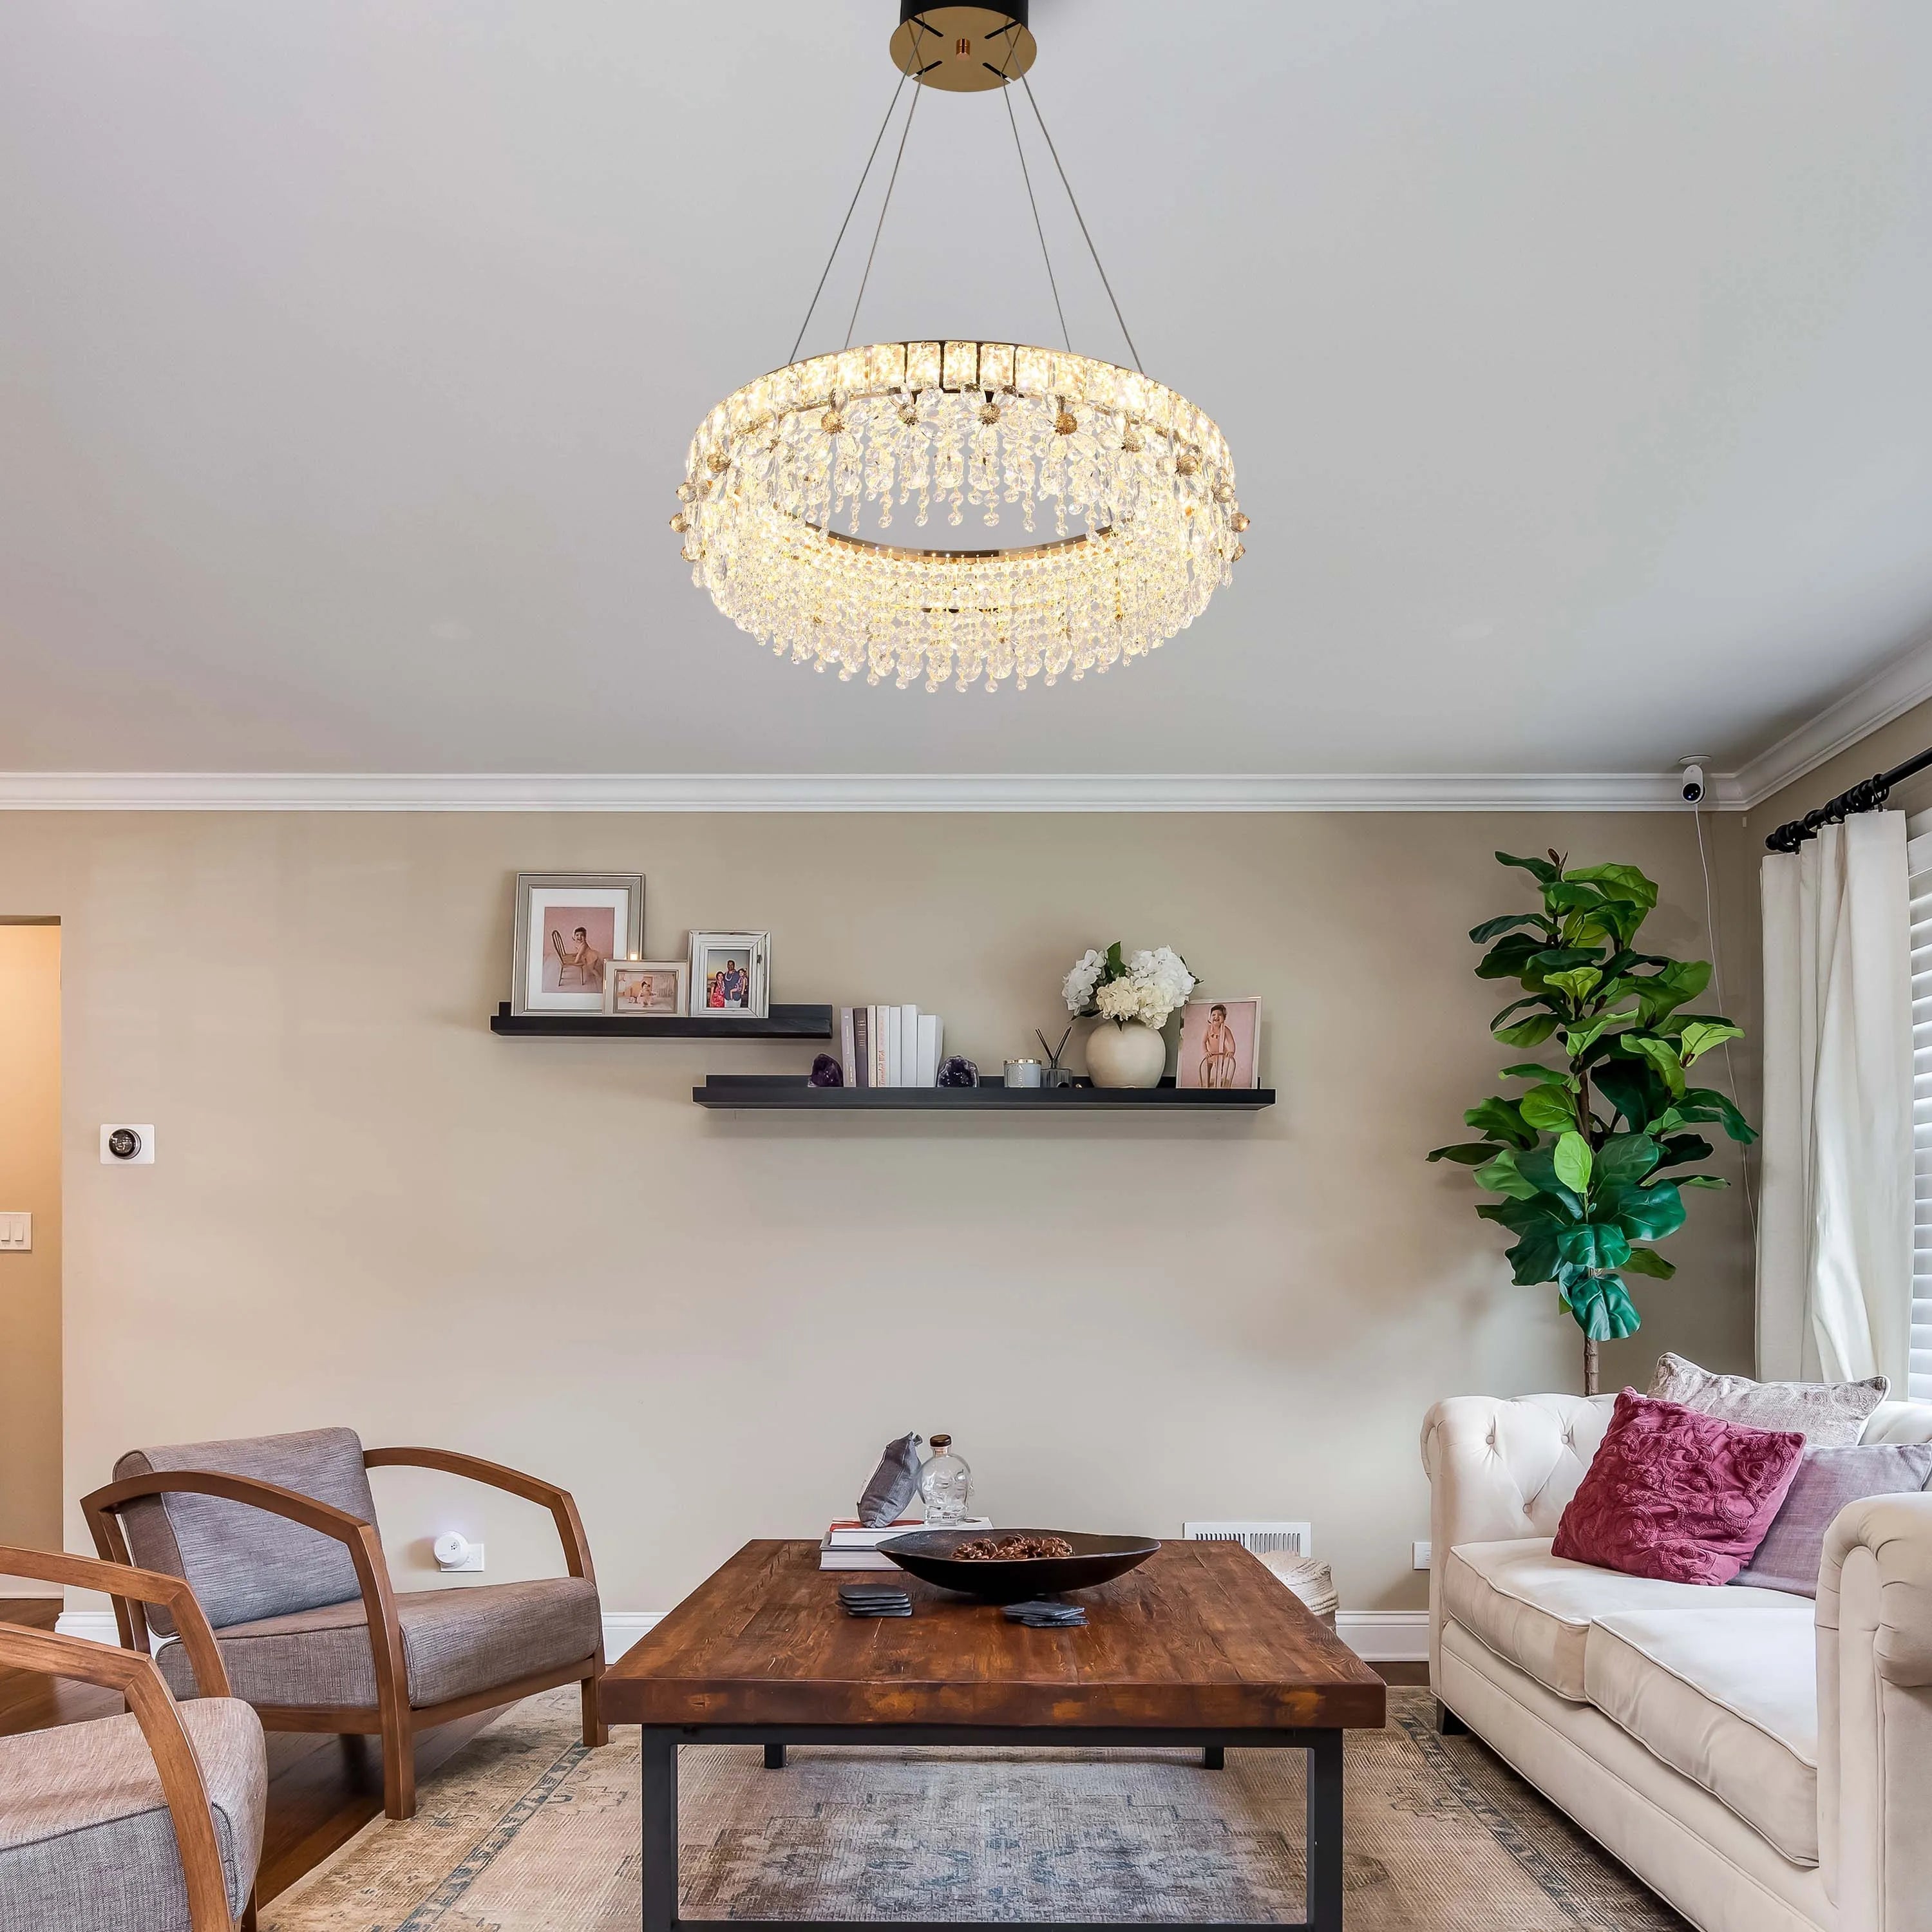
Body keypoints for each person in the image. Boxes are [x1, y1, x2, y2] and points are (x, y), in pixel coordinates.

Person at [1200, 1002, 1238, 1089]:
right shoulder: (1208, 1029)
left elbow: (1231, 1042)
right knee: (1207, 1070)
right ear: (1210, 1018)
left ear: (1224, 1018)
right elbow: (1203, 1042)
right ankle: (1207, 1085)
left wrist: (1231, 1051)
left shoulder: (1225, 1030)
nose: (1216, 1017)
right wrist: (1205, 1052)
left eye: (1220, 1015)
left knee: (1218, 1071)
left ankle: (1218, 1085)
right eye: (1213, 1015)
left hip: (1221, 1055)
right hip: (1210, 1055)